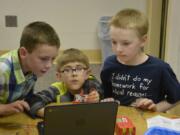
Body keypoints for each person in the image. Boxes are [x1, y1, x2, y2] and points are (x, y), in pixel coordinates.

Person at [100, 8, 180, 112]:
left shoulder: (160, 68)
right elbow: (106, 96)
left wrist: (155, 109)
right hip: (120, 122)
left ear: (143, 40)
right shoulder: (109, 64)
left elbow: (176, 97)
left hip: (147, 124)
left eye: (126, 43)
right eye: (114, 42)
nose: (118, 49)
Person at [0, 21, 60, 116]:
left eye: (53, 59)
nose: (49, 65)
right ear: (23, 53)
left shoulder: (32, 67)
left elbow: (27, 98)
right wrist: (4, 108)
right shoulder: (2, 69)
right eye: (44, 59)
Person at [26, 48, 103, 118]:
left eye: (79, 69)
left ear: (87, 74)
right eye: (67, 70)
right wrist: (46, 114)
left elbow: (100, 90)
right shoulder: (56, 89)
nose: (74, 74)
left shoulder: (91, 83)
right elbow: (32, 100)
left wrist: (96, 95)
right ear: (59, 76)